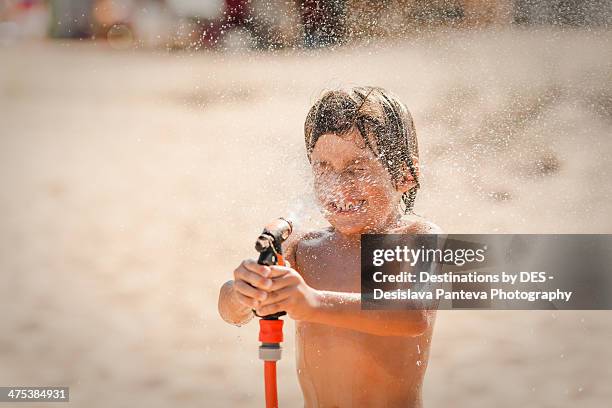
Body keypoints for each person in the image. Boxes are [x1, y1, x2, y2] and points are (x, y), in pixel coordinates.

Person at [218, 86, 442, 407]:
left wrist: (313, 302)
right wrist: (242, 293)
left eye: (357, 169)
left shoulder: (415, 236)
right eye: (323, 169)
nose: (338, 186)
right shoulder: (304, 247)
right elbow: (231, 312)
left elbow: (413, 315)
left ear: (405, 176)